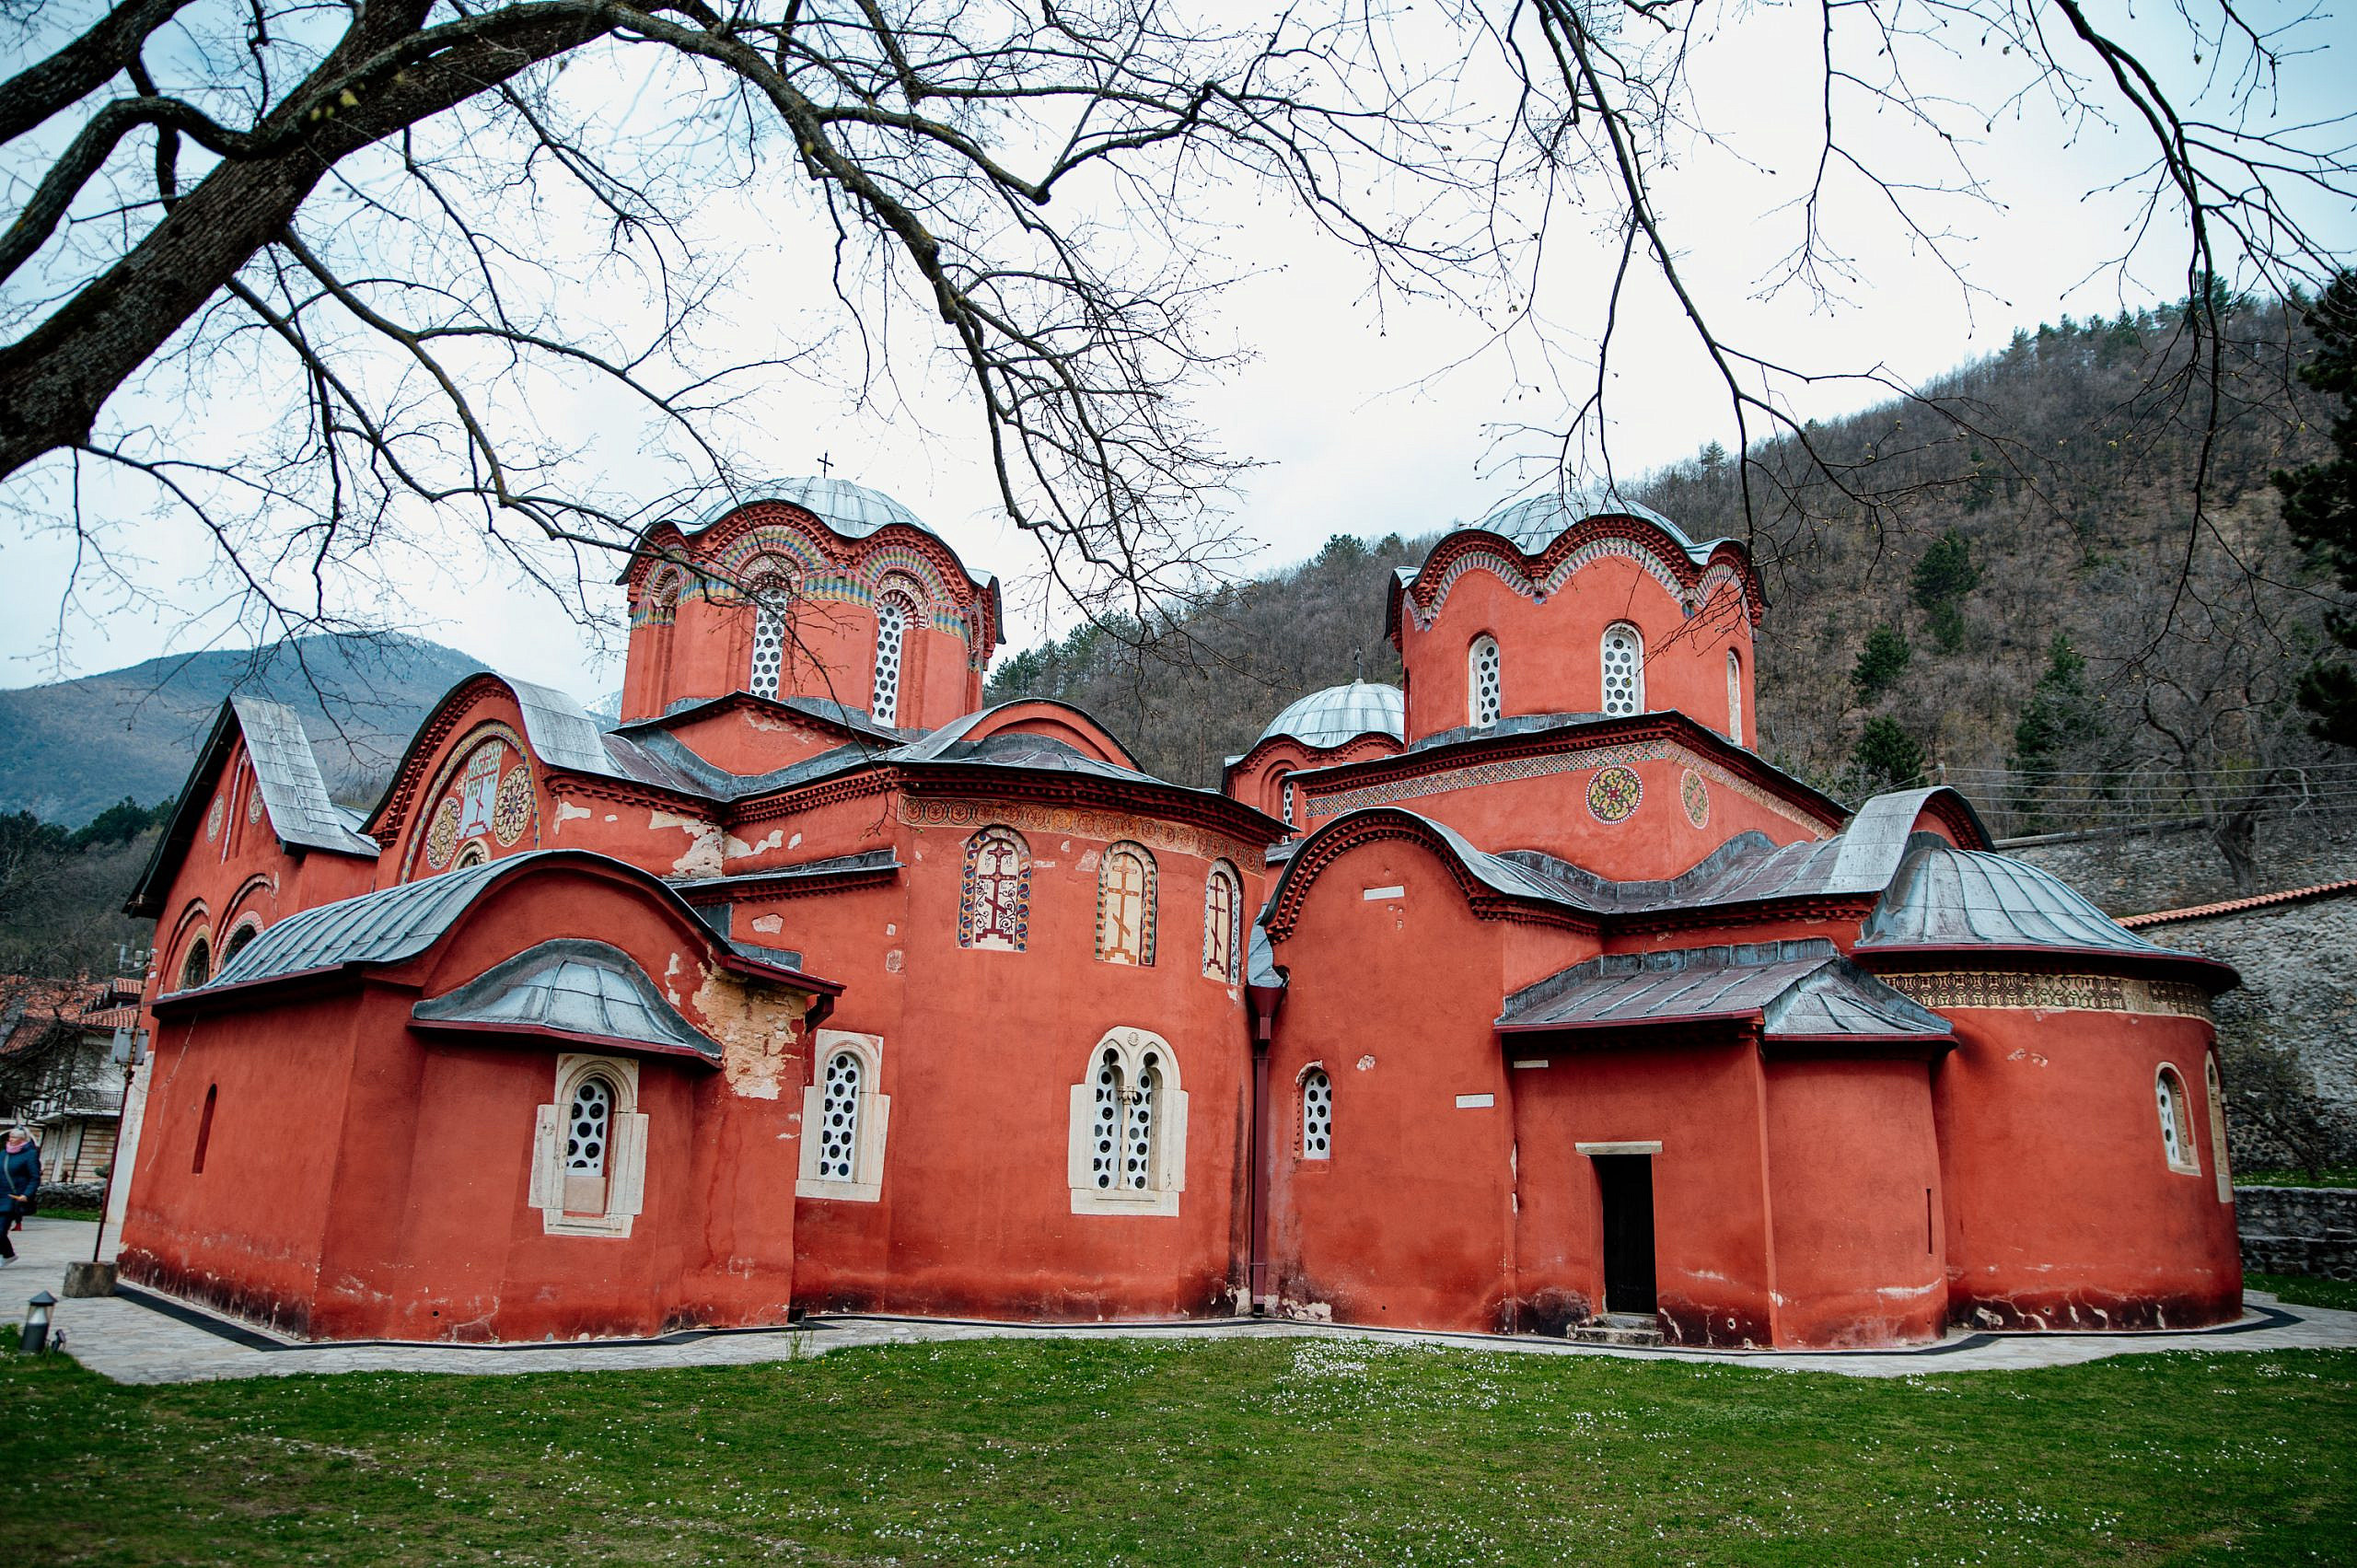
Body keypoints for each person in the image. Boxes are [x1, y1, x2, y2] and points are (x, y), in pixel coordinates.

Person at [0, 1127, 37, 1264]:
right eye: (10, 1137)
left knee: (0, 1231)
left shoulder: (30, 1154)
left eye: (15, 1137)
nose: (11, 1140)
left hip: (13, 1198)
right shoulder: (3, 1154)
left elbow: (34, 1178)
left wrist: (27, 1194)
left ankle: (8, 1255)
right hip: (0, 1194)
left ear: (23, 1139)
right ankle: (8, 1254)